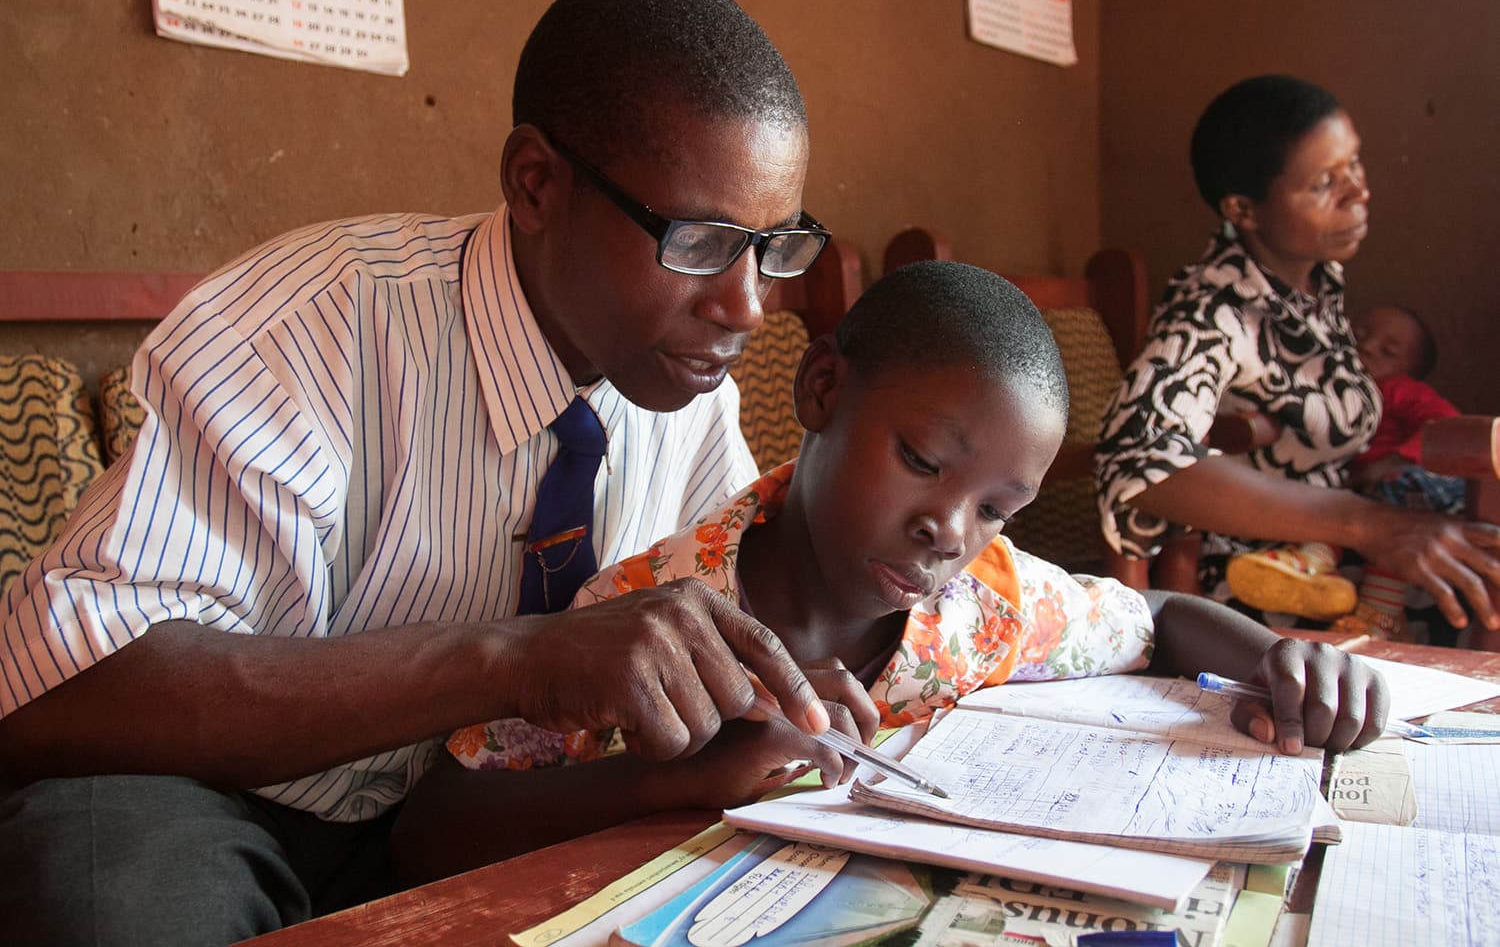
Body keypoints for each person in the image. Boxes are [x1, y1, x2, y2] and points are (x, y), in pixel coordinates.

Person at [0, 0, 844, 946]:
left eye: (775, 247)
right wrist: (512, 658)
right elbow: (58, 689)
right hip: (212, 800)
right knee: (118, 897)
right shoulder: (310, 329)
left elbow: (715, 608)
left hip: (468, 811)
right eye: (700, 240)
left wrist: (769, 690)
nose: (746, 306)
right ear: (536, 183)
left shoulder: (688, 390)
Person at [393, 260, 1391, 885]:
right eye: (921, 461)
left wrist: (1278, 657)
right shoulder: (654, 619)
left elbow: (1159, 613)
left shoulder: (984, 606)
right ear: (822, 388)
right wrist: (678, 774)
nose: (945, 529)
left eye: (995, 506)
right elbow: (432, 832)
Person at [1092, 73, 1500, 636]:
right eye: (1325, 183)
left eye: (1354, 164)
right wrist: (1372, 525)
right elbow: (1138, 460)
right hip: (1259, 587)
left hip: (1336, 558)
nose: (1359, 192)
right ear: (1244, 209)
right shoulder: (1215, 307)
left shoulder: (1314, 287)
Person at [1225, 304, 1465, 640]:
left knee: (1394, 497)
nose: (1367, 347)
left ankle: (1379, 611)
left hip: (1408, 485)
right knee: (1324, 498)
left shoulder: (1396, 389)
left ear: (1410, 371)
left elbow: (1447, 424)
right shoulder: (1323, 387)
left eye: (1388, 351)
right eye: (1360, 334)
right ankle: (1311, 569)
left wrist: (1394, 460)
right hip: (1351, 489)